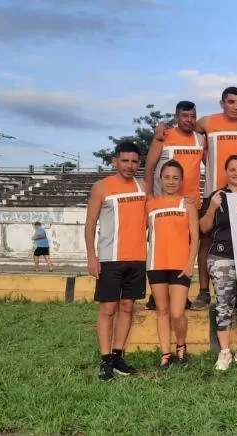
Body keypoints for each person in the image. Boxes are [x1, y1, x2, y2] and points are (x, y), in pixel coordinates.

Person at [190, 87, 237, 311]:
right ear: (222, 103)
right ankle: (203, 291)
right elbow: (185, 129)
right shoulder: (207, 122)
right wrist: (163, 129)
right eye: (231, 102)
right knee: (206, 242)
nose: (235, 106)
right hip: (214, 193)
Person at [84, 141, 148, 381]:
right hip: (110, 258)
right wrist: (92, 257)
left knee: (127, 307)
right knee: (108, 309)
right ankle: (105, 359)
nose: (129, 166)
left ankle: (119, 355)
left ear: (138, 163)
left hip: (137, 257)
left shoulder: (143, 186)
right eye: (125, 161)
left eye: (134, 162)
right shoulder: (102, 187)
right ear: (115, 161)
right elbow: (90, 224)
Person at [145, 100, 205, 312]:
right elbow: (150, 168)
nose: (189, 120)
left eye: (192, 116)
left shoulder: (200, 139)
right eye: (184, 116)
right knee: (160, 249)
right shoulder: (164, 135)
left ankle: (181, 296)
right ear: (176, 117)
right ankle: (155, 296)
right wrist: (150, 196)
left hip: (189, 204)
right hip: (163, 205)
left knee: (186, 251)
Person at [200, 155, 237, 370]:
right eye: (232, 169)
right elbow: (204, 228)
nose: (236, 173)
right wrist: (212, 208)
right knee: (223, 305)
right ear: (226, 172)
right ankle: (224, 352)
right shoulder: (216, 196)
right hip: (221, 258)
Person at [147, 161, 199, 370]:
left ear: (181, 180)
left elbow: (195, 238)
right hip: (156, 264)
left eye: (175, 178)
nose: (171, 181)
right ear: (160, 179)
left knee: (177, 313)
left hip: (180, 266)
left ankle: (181, 347)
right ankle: (165, 354)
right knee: (162, 310)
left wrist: (189, 264)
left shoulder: (187, 204)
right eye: (167, 177)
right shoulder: (150, 205)